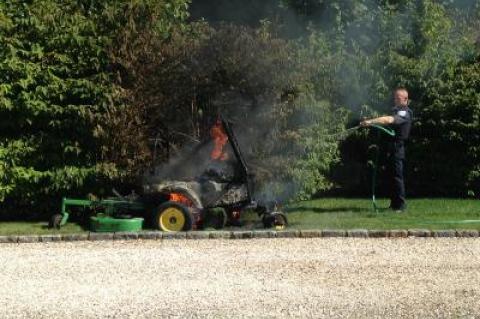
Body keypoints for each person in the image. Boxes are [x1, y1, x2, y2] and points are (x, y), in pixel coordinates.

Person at [360, 88, 413, 212]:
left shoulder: (404, 113)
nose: (395, 100)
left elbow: (388, 120)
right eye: (395, 97)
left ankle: (400, 205)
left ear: (405, 99)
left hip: (397, 148)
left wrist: (370, 122)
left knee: (397, 178)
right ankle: (394, 205)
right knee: (391, 178)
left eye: (398, 98)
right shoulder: (396, 111)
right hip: (390, 149)